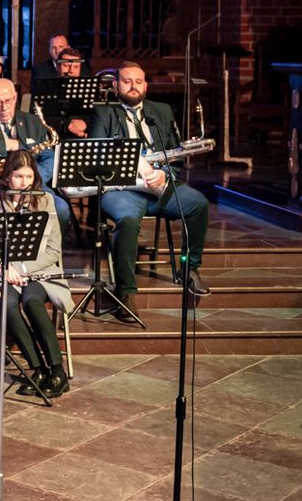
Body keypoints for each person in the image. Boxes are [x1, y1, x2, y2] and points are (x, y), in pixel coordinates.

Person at [89, 61, 211, 318]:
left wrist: (163, 174)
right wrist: (140, 169)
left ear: (145, 85)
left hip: (160, 185)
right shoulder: (103, 114)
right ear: (115, 85)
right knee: (129, 219)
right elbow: (97, 156)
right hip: (123, 189)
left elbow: (176, 155)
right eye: (126, 81)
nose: (133, 86)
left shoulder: (162, 111)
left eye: (138, 81)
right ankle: (125, 291)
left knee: (198, 203)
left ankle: (190, 268)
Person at [0, 150, 72, 397]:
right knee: (5, 302)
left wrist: (23, 269)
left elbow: (54, 249)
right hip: (3, 272)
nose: (24, 183)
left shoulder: (44, 200)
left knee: (32, 301)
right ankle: (37, 369)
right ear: (7, 178)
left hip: (39, 271)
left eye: (28, 176)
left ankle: (58, 371)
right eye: (18, 177)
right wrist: (3, 269)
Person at [0, 78, 70, 234]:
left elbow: (49, 157)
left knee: (61, 210)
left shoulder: (32, 121)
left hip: (33, 186)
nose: (4, 108)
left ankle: (47, 252)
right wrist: (10, 144)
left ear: (15, 97)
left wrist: (31, 179)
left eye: (8, 101)